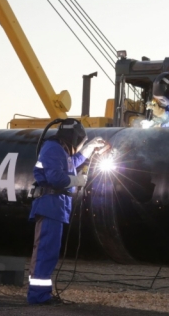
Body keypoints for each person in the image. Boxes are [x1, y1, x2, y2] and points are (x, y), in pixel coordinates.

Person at [27, 118, 108, 305]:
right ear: (74, 137)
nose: (79, 145)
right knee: (45, 252)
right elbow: (56, 178)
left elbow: (70, 163)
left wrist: (88, 149)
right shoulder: (53, 148)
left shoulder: (60, 150)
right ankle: (38, 296)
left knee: (49, 252)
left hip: (56, 207)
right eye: (81, 142)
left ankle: (40, 295)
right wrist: (77, 181)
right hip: (50, 206)